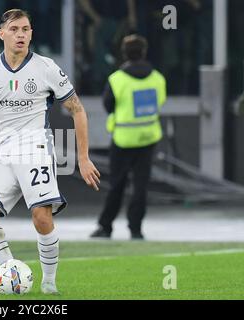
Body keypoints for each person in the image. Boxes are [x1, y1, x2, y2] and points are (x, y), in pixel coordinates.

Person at [0, 9, 100, 295]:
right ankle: (10, 273)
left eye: (26, 29)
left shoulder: (46, 68)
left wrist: (83, 158)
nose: (21, 35)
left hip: (36, 148)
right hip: (4, 150)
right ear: (2, 34)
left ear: (31, 33)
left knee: (42, 218)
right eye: (15, 29)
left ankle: (48, 282)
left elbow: (78, 111)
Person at [90, 34, 166, 240]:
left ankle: (105, 226)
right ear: (144, 52)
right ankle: (136, 229)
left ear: (124, 53)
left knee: (117, 184)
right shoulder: (158, 78)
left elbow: (108, 105)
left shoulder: (117, 79)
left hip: (123, 139)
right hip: (148, 138)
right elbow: (159, 103)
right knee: (140, 186)